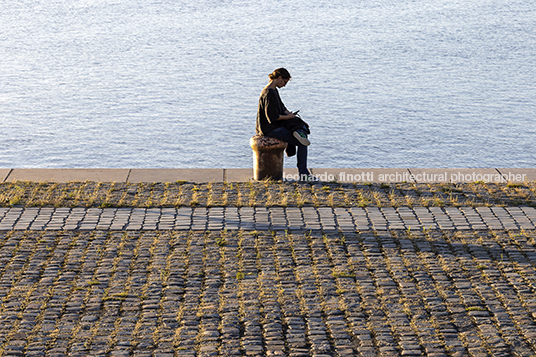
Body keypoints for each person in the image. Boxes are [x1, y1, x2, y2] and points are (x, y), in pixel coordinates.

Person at [256, 68, 314, 181]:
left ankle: (299, 132)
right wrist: (288, 117)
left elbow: (282, 107)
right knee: (303, 143)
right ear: (279, 78)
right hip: (269, 129)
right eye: (285, 82)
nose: (284, 85)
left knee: (298, 125)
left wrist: (291, 115)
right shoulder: (269, 93)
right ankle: (303, 174)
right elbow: (272, 117)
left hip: (272, 126)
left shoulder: (272, 90)